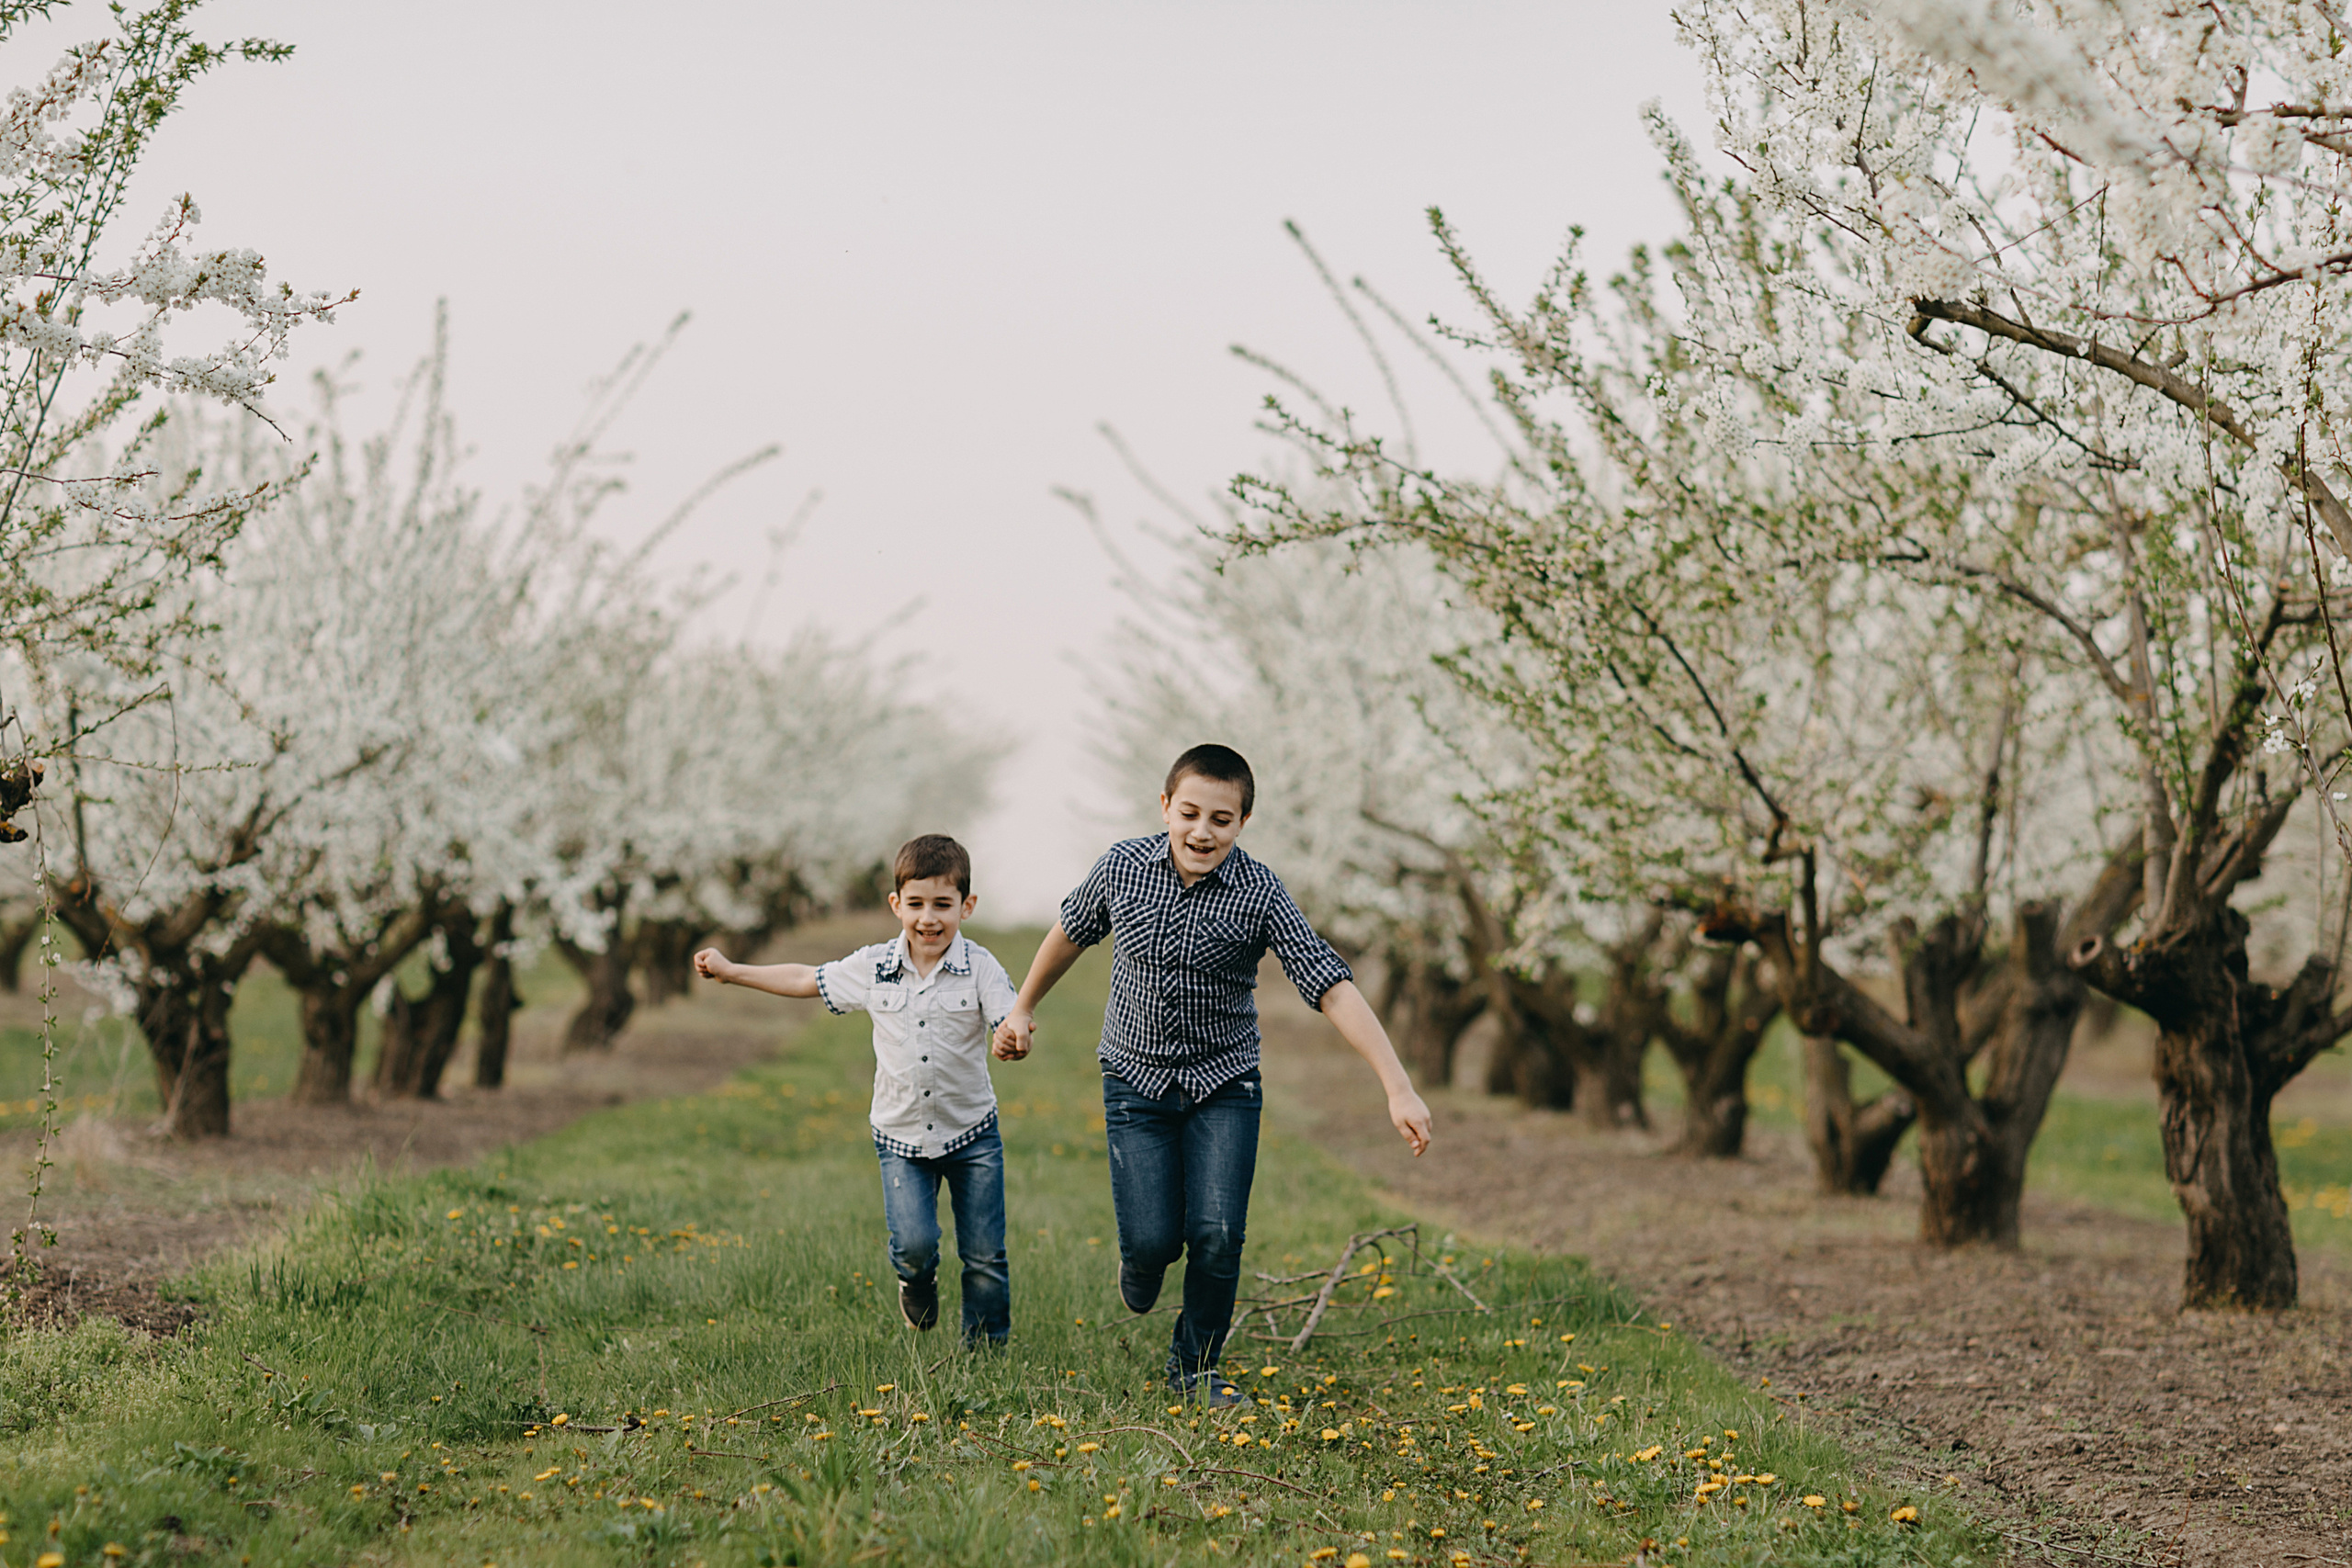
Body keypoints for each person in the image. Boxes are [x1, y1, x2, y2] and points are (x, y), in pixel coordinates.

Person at [992, 743, 1432, 1404]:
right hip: (1135, 1079)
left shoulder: (1259, 890)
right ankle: (1140, 1265)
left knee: (1218, 1233)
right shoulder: (1122, 867)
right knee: (1151, 1240)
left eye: (1221, 820)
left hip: (1225, 1083)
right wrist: (1023, 1006)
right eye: (1190, 812)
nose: (1203, 831)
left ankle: (1195, 1368)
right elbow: (1071, 931)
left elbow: (1329, 983)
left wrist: (1396, 1084)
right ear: (1166, 806)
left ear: (1243, 823)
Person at [695, 833, 1018, 1344]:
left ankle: (986, 1352)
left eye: (943, 904)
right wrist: (734, 971)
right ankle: (916, 1279)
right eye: (915, 904)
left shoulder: (981, 969)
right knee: (913, 1244)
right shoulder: (874, 967)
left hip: (972, 1134)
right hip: (900, 1137)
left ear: (967, 906)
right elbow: (807, 978)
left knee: (984, 1254)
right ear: (896, 905)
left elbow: (1008, 1015)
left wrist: (1012, 1035)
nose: (928, 918)